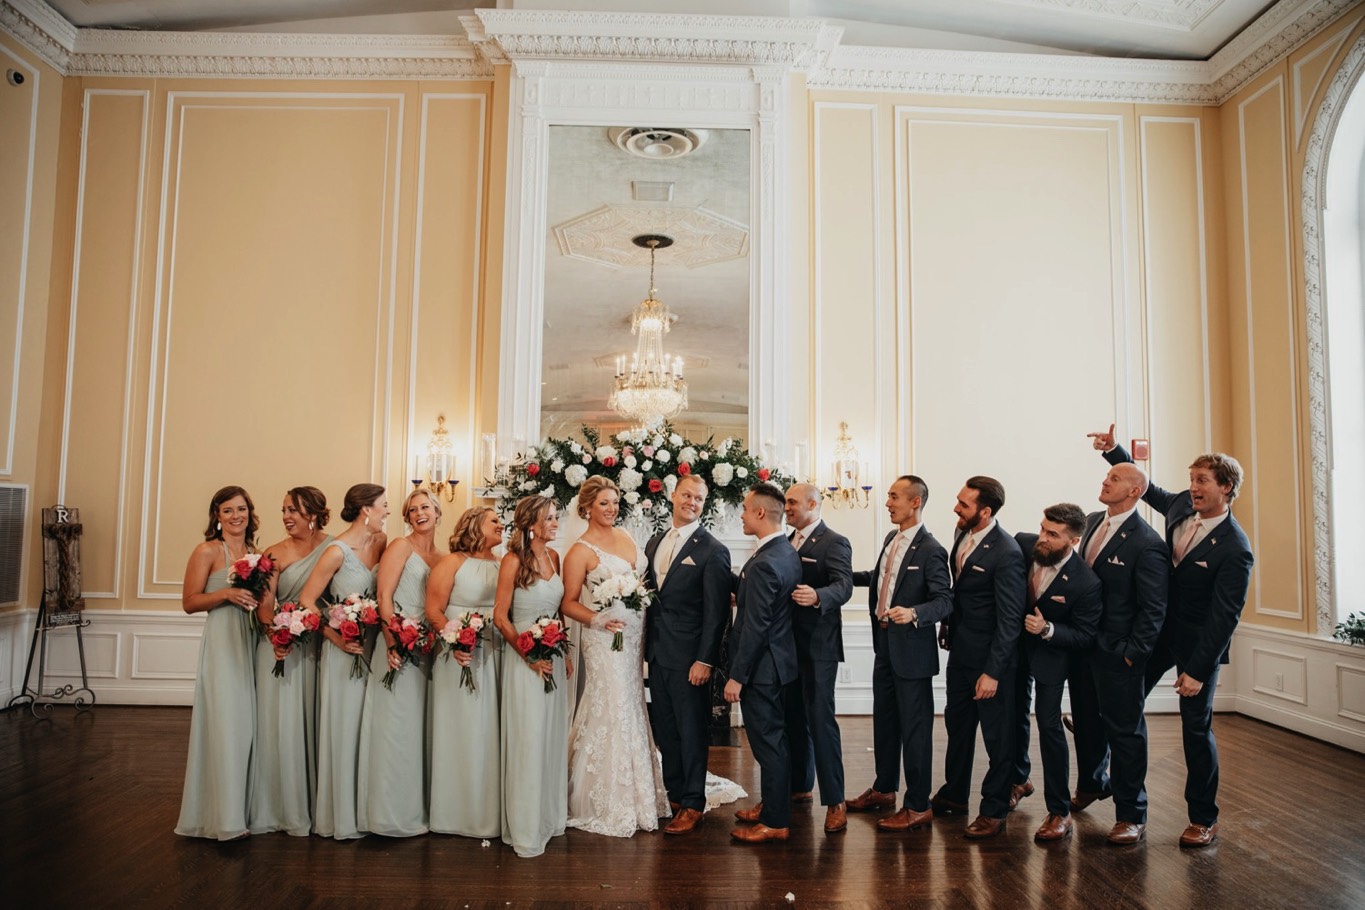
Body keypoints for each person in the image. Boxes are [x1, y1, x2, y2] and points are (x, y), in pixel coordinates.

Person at [1093, 425, 1254, 847]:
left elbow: (1224, 617)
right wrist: (1114, 451)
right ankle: (1113, 794)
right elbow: (1145, 488)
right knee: (1122, 705)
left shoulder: (1236, 548)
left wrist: (1198, 670)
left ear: (1226, 487)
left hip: (1199, 646)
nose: (1193, 488)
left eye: (1202, 481)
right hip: (1159, 633)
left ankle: (1203, 818)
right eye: (1191, 479)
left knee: (1195, 731)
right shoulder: (1182, 505)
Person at [560, 475, 670, 836]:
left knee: (633, 701)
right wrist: (598, 618)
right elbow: (568, 603)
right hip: (604, 639)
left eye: (615, 502)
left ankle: (641, 788)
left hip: (634, 636)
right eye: (604, 503)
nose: (611, 509)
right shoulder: (579, 552)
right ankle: (607, 796)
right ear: (587, 508)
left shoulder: (626, 536)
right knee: (612, 702)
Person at [1067, 454, 1167, 845]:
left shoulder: (1148, 543)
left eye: (1115, 477)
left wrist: (1132, 653)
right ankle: (1093, 784)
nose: (1106, 481)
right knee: (1086, 724)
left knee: (1125, 734)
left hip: (1118, 653)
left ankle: (1131, 814)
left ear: (1135, 491)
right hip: (1083, 646)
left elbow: (1153, 609)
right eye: (1107, 475)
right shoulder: (1092, 521)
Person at [847, 475, 953, 833]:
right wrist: (839, 576)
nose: (888, 503)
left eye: (894, 496)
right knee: (885, 722)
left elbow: (944, 600)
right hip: (884, 645)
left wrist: (915, 613)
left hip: (913, 653)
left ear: (915, 502)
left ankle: (918, 805)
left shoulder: (932, 549)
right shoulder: (891, 539)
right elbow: (880, 577)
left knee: (916, 730)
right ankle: (884, 789)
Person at [933, 476, 1026, 839]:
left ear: (985, 512)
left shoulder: (1007, 552)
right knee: (957, 727)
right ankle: (955, 794)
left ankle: (994, 809)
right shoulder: (962, 534)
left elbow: (1010, 619)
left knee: (997, 739)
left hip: (990, 662)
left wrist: (993, 672)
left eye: (964, 504)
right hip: (960, 652)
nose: (956, 508)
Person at [643, 474, 733, 835]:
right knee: (666, 729)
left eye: (698, 498)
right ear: (673, 496)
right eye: (686, 495)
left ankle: (694, 803)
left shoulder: (713, 550)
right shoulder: (654, 542)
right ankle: (676, 796)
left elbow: (716, 613)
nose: (691, 502)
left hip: (691, 658)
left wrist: (705, 660)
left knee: (692, 731)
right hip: (658, 652)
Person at [300, 482, 389, 840]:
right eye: (384, 505)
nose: (387, 511)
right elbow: (307, 601)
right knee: (345, 727)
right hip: (343, 653)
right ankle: (341, 817)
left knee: (371, 729)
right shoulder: (336, 552)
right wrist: (336, 637)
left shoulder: (381, 542)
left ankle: (369, 810)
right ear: (366, 509)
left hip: (374, 648)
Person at [1009, 503, 1102, 842]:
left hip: (1052, 656)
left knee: (1049, 726)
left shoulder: (1086, 582)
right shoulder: (1022, 544)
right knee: (1011, 716)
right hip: (1013, 650)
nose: (1043, 538)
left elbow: (1085, 635)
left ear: (1074, 541)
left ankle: (1059, 812)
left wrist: (1048, 629)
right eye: (1043, 528)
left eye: (1053, 534)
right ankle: (1018, 780)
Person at [175, 485, 261, 840]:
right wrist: (226, 593)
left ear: (249, 512)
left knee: (247, 728)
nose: (235, 516)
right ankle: (224, 820)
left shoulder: (256, 553)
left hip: (251, 640)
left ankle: (245, 810)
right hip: (224, 641)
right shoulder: (207, 550)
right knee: (226, 725)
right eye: (228, 510)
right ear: (217, 516)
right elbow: (189, 602)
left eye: (241, 509)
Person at [247, 486, 332, 836]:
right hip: (281, 645)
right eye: (284, 510)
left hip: (320, 645)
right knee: (281, 724)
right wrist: (277, 636)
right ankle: (280, 807)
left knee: (316, 722)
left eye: (293, 510)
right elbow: (265, 604)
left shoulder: (334, 547)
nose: (286, 516)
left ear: (313, 513)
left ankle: (318, 805)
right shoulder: (274, 553)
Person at [357, 488, 442, 837]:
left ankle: (417, 807)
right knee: (394, 726)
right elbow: (384, 596)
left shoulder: (442, 556)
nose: (420, 513)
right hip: (396, 645)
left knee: (418, 728)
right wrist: (393, 639)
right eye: (413, 510)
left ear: (437, 512)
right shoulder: (400, 547)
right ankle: (388, 814)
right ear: (407, 518)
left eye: (425, 507)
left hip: (427, 649)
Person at [727, 482, 802, 843]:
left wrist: (737, 677)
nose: (741, 515)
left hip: (762, 670)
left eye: (744, 508)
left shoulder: (765, 563)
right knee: (776, 742)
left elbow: (756, 626)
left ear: (760, 512)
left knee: (768, 745)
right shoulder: (785, 551)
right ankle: (774, 806)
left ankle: (775, 822)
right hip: (780, 663)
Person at [495, 496, 569, 858]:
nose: (555, 523)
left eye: (555, 517)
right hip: (525, 662)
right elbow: (500, 617)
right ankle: (525, 827)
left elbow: (559, 610)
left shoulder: (555, 557)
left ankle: (548, 819)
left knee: (551, 738)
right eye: (549, 518)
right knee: (529, 739)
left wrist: (566, 651)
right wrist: (529, 656)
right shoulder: (512, 561)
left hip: (554, 657)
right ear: (530, 525)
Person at [426, 506, 504, 838]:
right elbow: (433, 609)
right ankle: (455, 812)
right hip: (459, 654)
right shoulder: (452, 563)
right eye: (494, 521)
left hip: (495, 652)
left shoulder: (504, 564)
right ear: (474, 526)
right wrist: (456, 641)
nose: (501, 524)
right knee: (463, 728)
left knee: (490, 730)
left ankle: (488, 810)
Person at [780, 482, 853, 832]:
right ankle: (799, 786)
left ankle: (836, 801)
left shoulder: (834, 541)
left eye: (792, 502)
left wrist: (819, 595)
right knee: (793, 717)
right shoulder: (785, 541)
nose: (787, 507)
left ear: (812, 504)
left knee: (821, 722)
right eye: (785, 502)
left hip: (819, 647)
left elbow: (844, 585)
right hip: (787, 645)